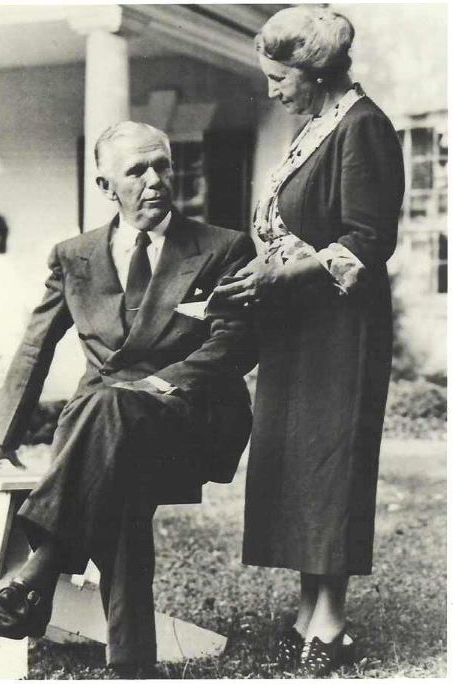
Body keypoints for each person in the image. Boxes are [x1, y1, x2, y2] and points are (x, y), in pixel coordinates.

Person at [0, 121, 257, 676]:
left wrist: (158, 384)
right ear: (105, 186)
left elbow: (236, 344)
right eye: (137, 170)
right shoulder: (74, 255)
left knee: (110, 411)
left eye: (163, 165)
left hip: (186, 415)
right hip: (106, 433)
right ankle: (131, 663)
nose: (155, 180)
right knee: (115, 469)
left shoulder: (223, 248)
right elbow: (35, 347)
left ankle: (35, 577)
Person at [213, 6, 404, 678]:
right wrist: (259, 274)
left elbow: (366, 241)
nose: (270, 89)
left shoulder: (363, 127)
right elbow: (286, 230)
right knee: (296, 467)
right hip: (297, 326)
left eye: (276, 76)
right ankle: (305, 610)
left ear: (313, 70)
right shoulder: (316, 126)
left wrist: (278, 273)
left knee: (329, 468)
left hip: (340, 331)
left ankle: (329, 624)